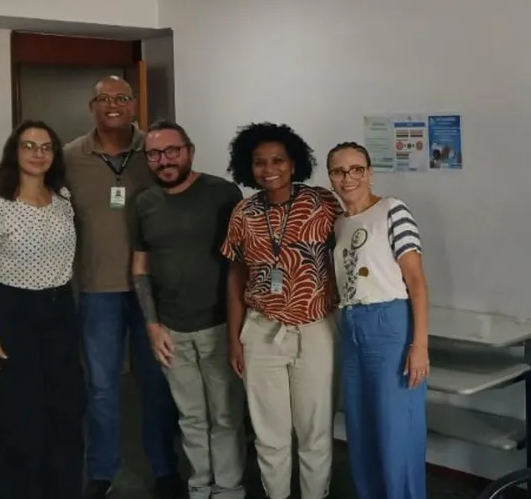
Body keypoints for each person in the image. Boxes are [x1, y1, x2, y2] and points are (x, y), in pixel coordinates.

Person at [63, 76, 182, 499]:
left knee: (157, 384)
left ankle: (164, 467)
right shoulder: (70, 157)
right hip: (97, 290)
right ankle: (101, 471)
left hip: (152, 290)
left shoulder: (155, 150)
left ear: (134, 104)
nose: (112, 104)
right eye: (103, 98)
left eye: (121, 97)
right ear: (92, 106)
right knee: (101, 388)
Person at [0, 120, 85, 499]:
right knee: (16, 419)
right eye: (29, 146)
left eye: (46, 147)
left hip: (59, 314)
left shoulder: (63, 200)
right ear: (15, 152)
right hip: (12, 316)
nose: (38, 153)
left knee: (64, 413)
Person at [221, 122, 340, 499]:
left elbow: (349, 252)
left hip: (315, 329)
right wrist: (234, 340)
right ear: (248, 166)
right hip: (262, 331)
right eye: (259, 162)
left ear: (294, 163)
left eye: (278, 160)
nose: (269, 169)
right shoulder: (243, 212)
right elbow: (236, 276)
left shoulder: (322, 203)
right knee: (270, 433)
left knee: (315, 430)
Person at [130, 121, 248, 499]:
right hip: (171, 330)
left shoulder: (223, 193)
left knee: (226, 416)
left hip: (219, 325)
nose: (164, 160)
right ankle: (199, 485)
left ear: (190, 151)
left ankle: (228, 488)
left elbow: (242, 262)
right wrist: (152, 325)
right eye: (154, 154)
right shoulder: (144, 203)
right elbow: (140, 267)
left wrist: (239, 328)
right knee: (192, 417)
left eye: (172, 151)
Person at [327, 141, 430, 499]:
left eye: (357, 169)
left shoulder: (392, 210)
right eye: (339, 171)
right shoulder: (340, 224)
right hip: (352, 326)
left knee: (396, 433)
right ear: (331, 178)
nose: (348, 178)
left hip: (390, 325)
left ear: (370, 173)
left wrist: (419, 345)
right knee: (361, 430)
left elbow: (416, 282)